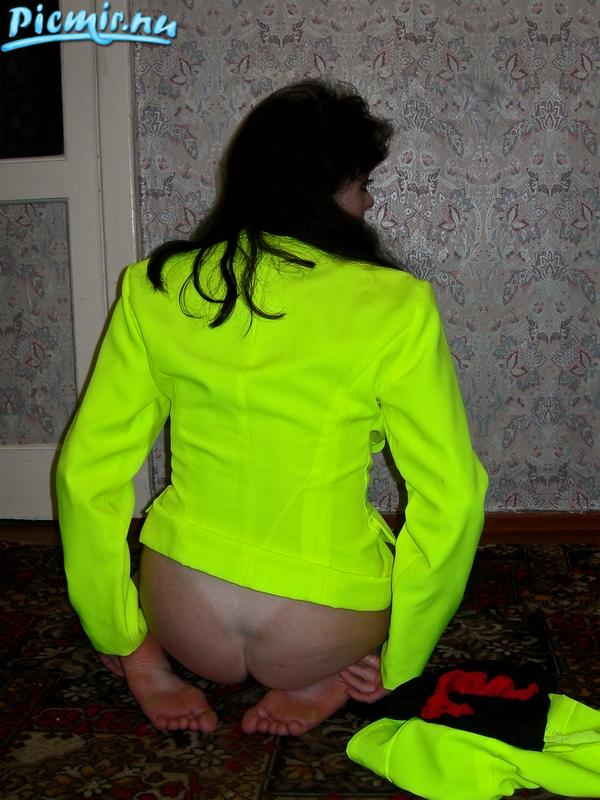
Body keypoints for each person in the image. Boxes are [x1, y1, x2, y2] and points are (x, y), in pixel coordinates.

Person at [56, 79, 488, 737]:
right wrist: (403, 656)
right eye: (362, 184)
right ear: (328, 188)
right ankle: (326, 678)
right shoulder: (397, 304)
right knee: (382, 549)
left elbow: (86, 475)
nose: (369, 202)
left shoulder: (156, 287)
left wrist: (116, 629)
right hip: (322, 629)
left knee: (160, 546)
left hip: (184, 618)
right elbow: (452, 497)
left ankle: (145, 662)